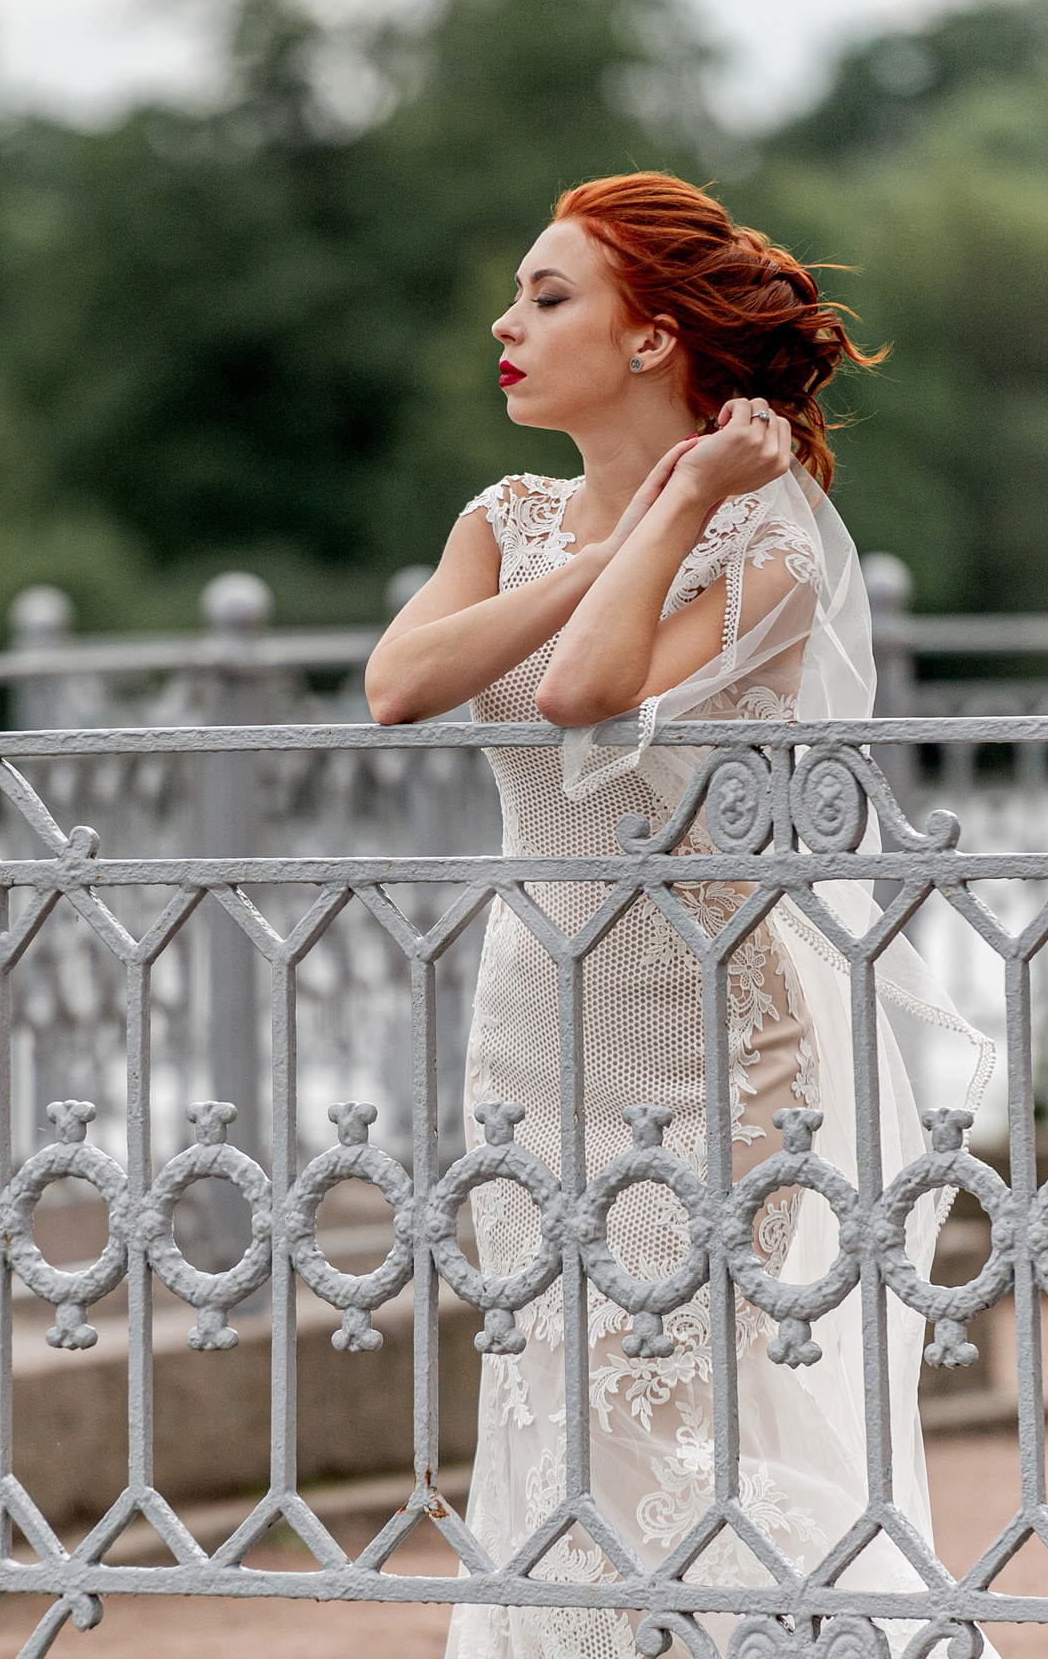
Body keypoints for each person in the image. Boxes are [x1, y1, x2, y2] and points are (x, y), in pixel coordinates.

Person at [365, 171, 993, 1659]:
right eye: (518, 295)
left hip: (712, 1026)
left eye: (548, 294)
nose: (504, 322)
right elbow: (399, 685)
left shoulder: (763, 545)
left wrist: (694, 499)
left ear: (652, 339)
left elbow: (588, 695)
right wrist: (624, 529)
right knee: (552, 1388)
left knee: (688, 1385)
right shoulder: (500, 518)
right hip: (533, 1018)